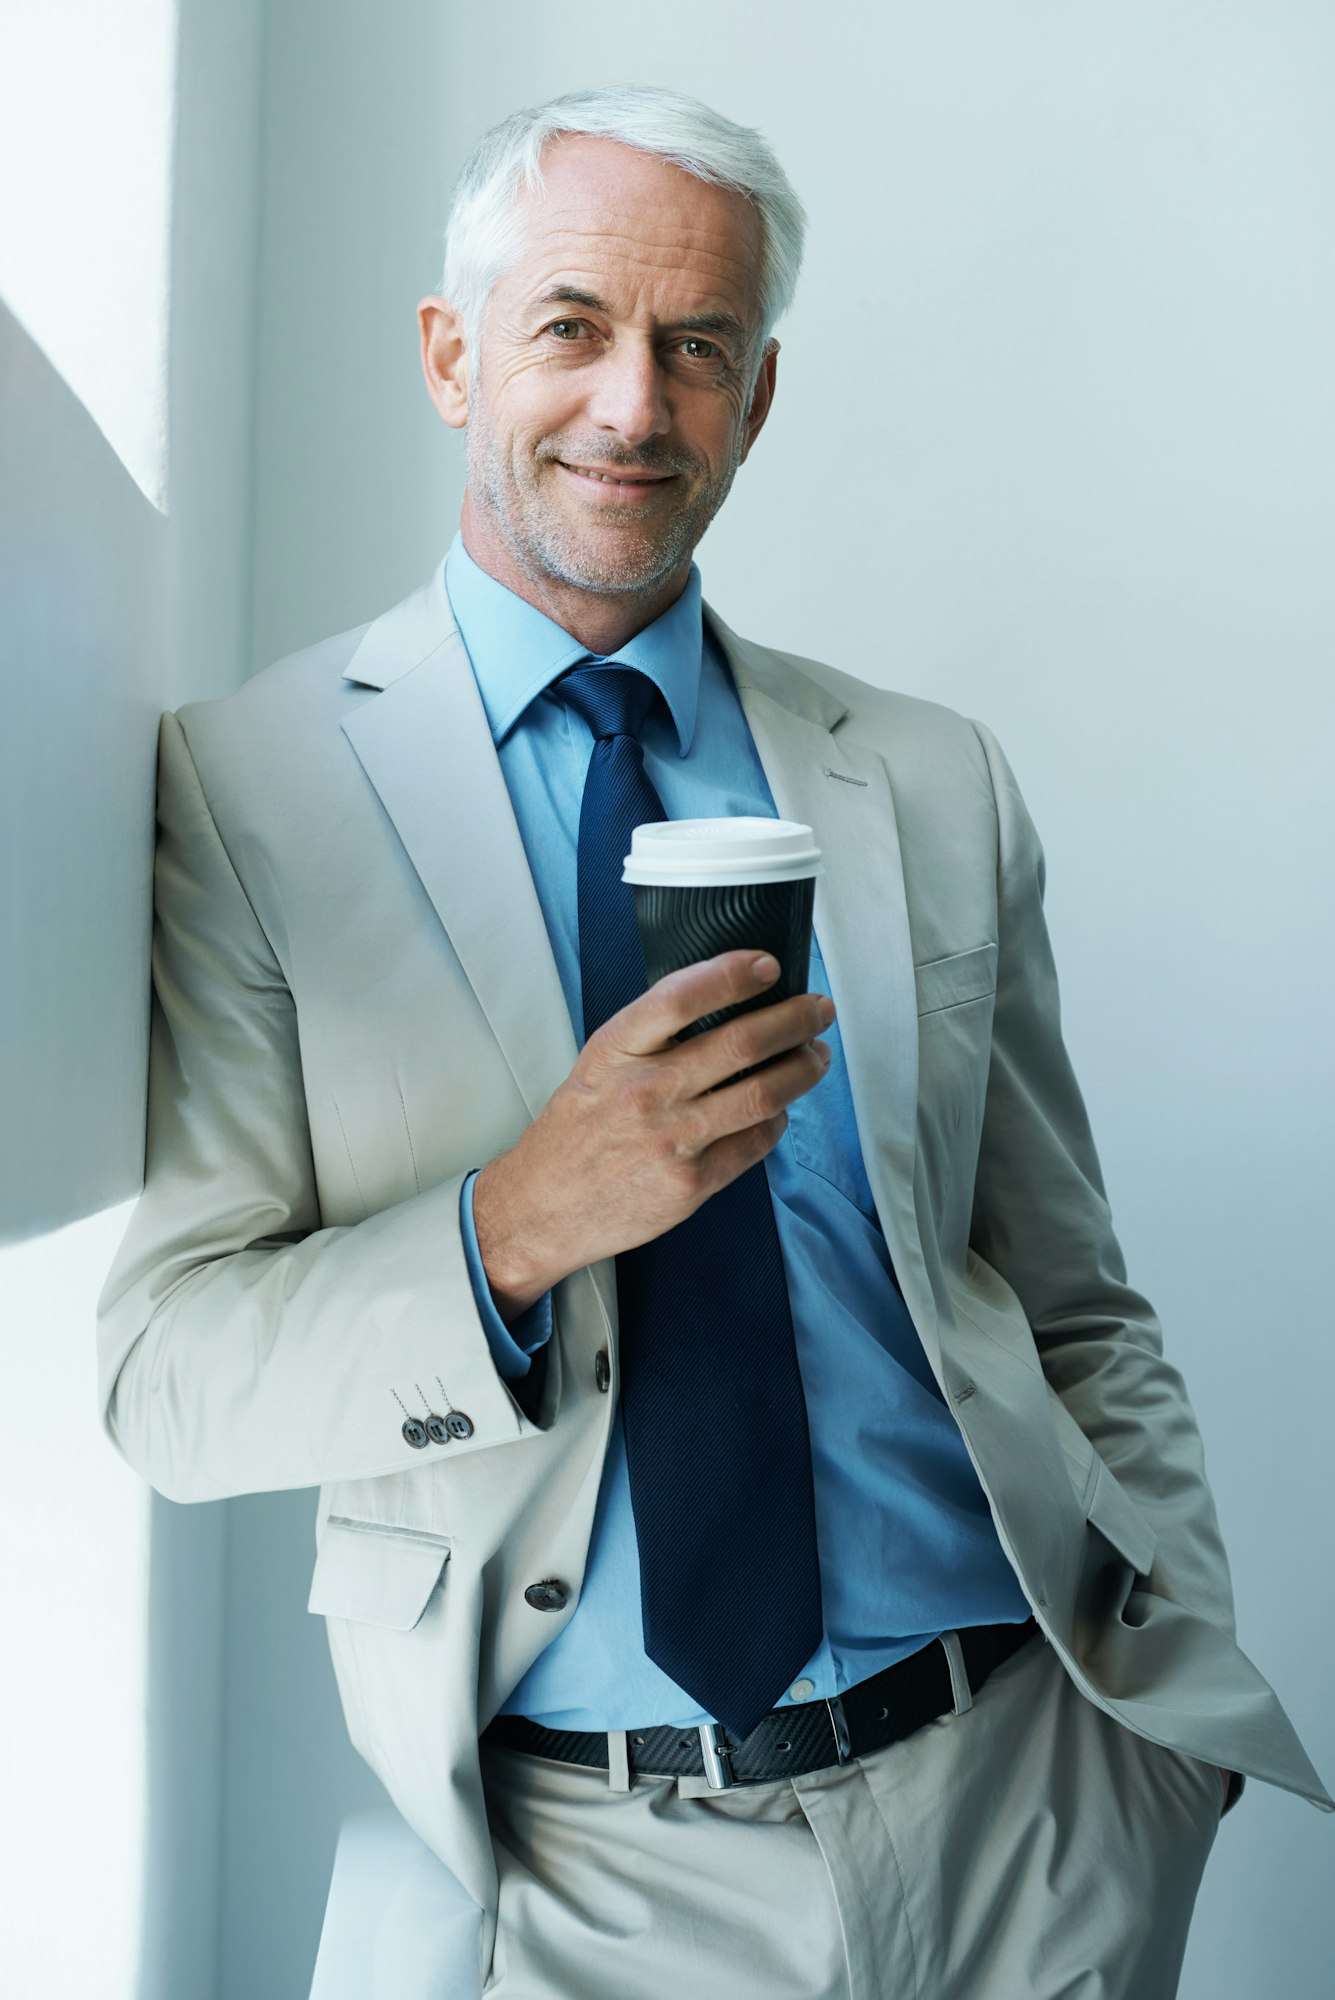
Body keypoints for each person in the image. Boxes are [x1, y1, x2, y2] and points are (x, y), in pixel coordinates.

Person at [96, 82, 1332, 2000]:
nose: (633, 406)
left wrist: (1157, 1736)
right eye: (572, 328)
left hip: (1031, 1812)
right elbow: (168, 1377)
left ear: (759, 401)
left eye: (699, 349)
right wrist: (516, 1219)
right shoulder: (248, 794)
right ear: (452, 355)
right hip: (589, 1876)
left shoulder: (923, 776)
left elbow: (1075, 1299)